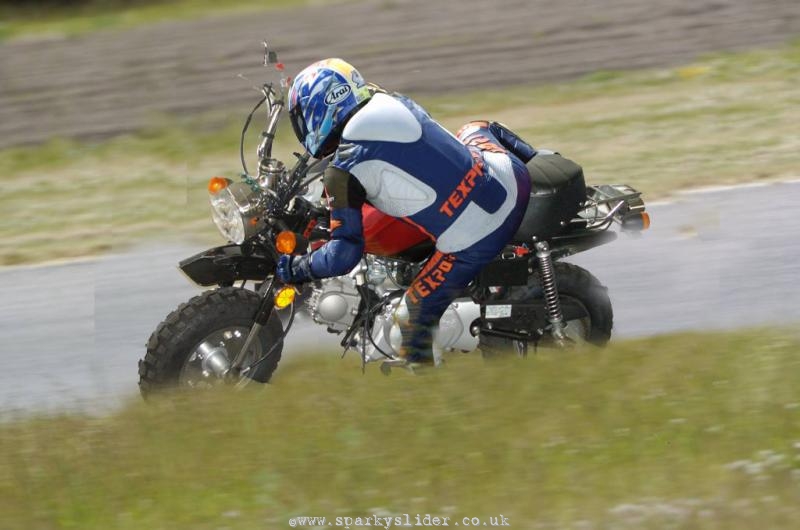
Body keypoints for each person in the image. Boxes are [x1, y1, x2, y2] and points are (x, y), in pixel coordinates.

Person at [277, 58, 534, 367]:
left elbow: (343, 256)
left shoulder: (344, 169)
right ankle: (543, 161)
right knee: (476, 127)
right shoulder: (391, 100)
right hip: (508, 175)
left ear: (321, 107)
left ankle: (431, 399)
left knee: (408, 326)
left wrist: (298, 268)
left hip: (477, 234)